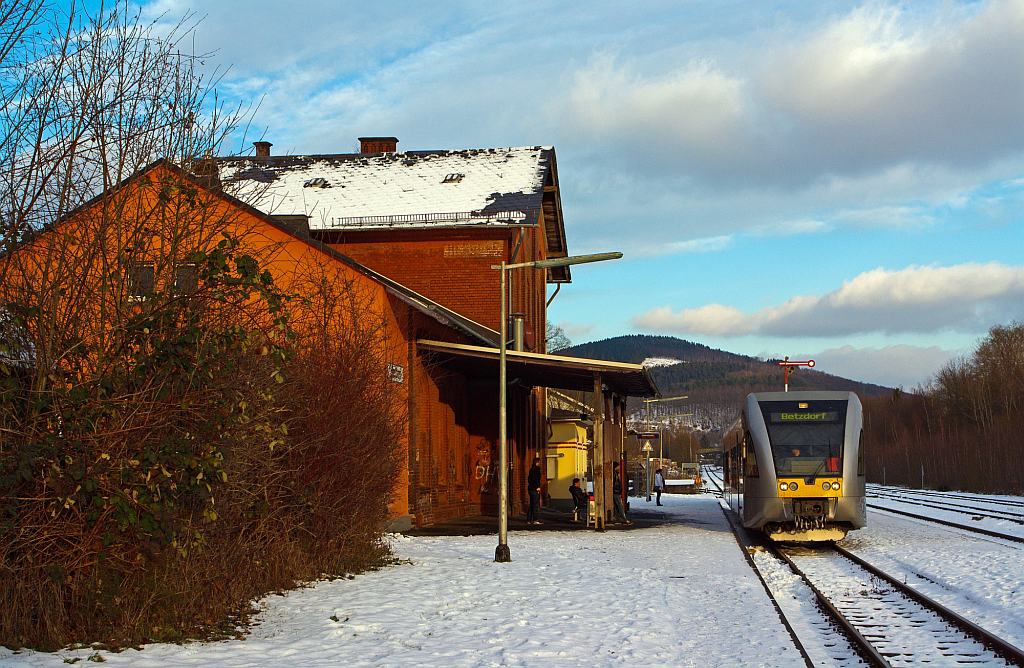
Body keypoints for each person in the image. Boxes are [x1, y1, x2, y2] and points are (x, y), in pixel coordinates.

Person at [527, 457, 542, 525]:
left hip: (530, 488)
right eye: (539, 462)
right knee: (535, 504)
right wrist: (537, 487)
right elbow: (536, 479)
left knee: (532, 504)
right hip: (534, 489)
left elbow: (530, 479)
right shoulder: (536, 470)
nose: (540, 463)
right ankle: (535, 519)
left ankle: (529, 520)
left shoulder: (531, 469)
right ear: (537, 462)